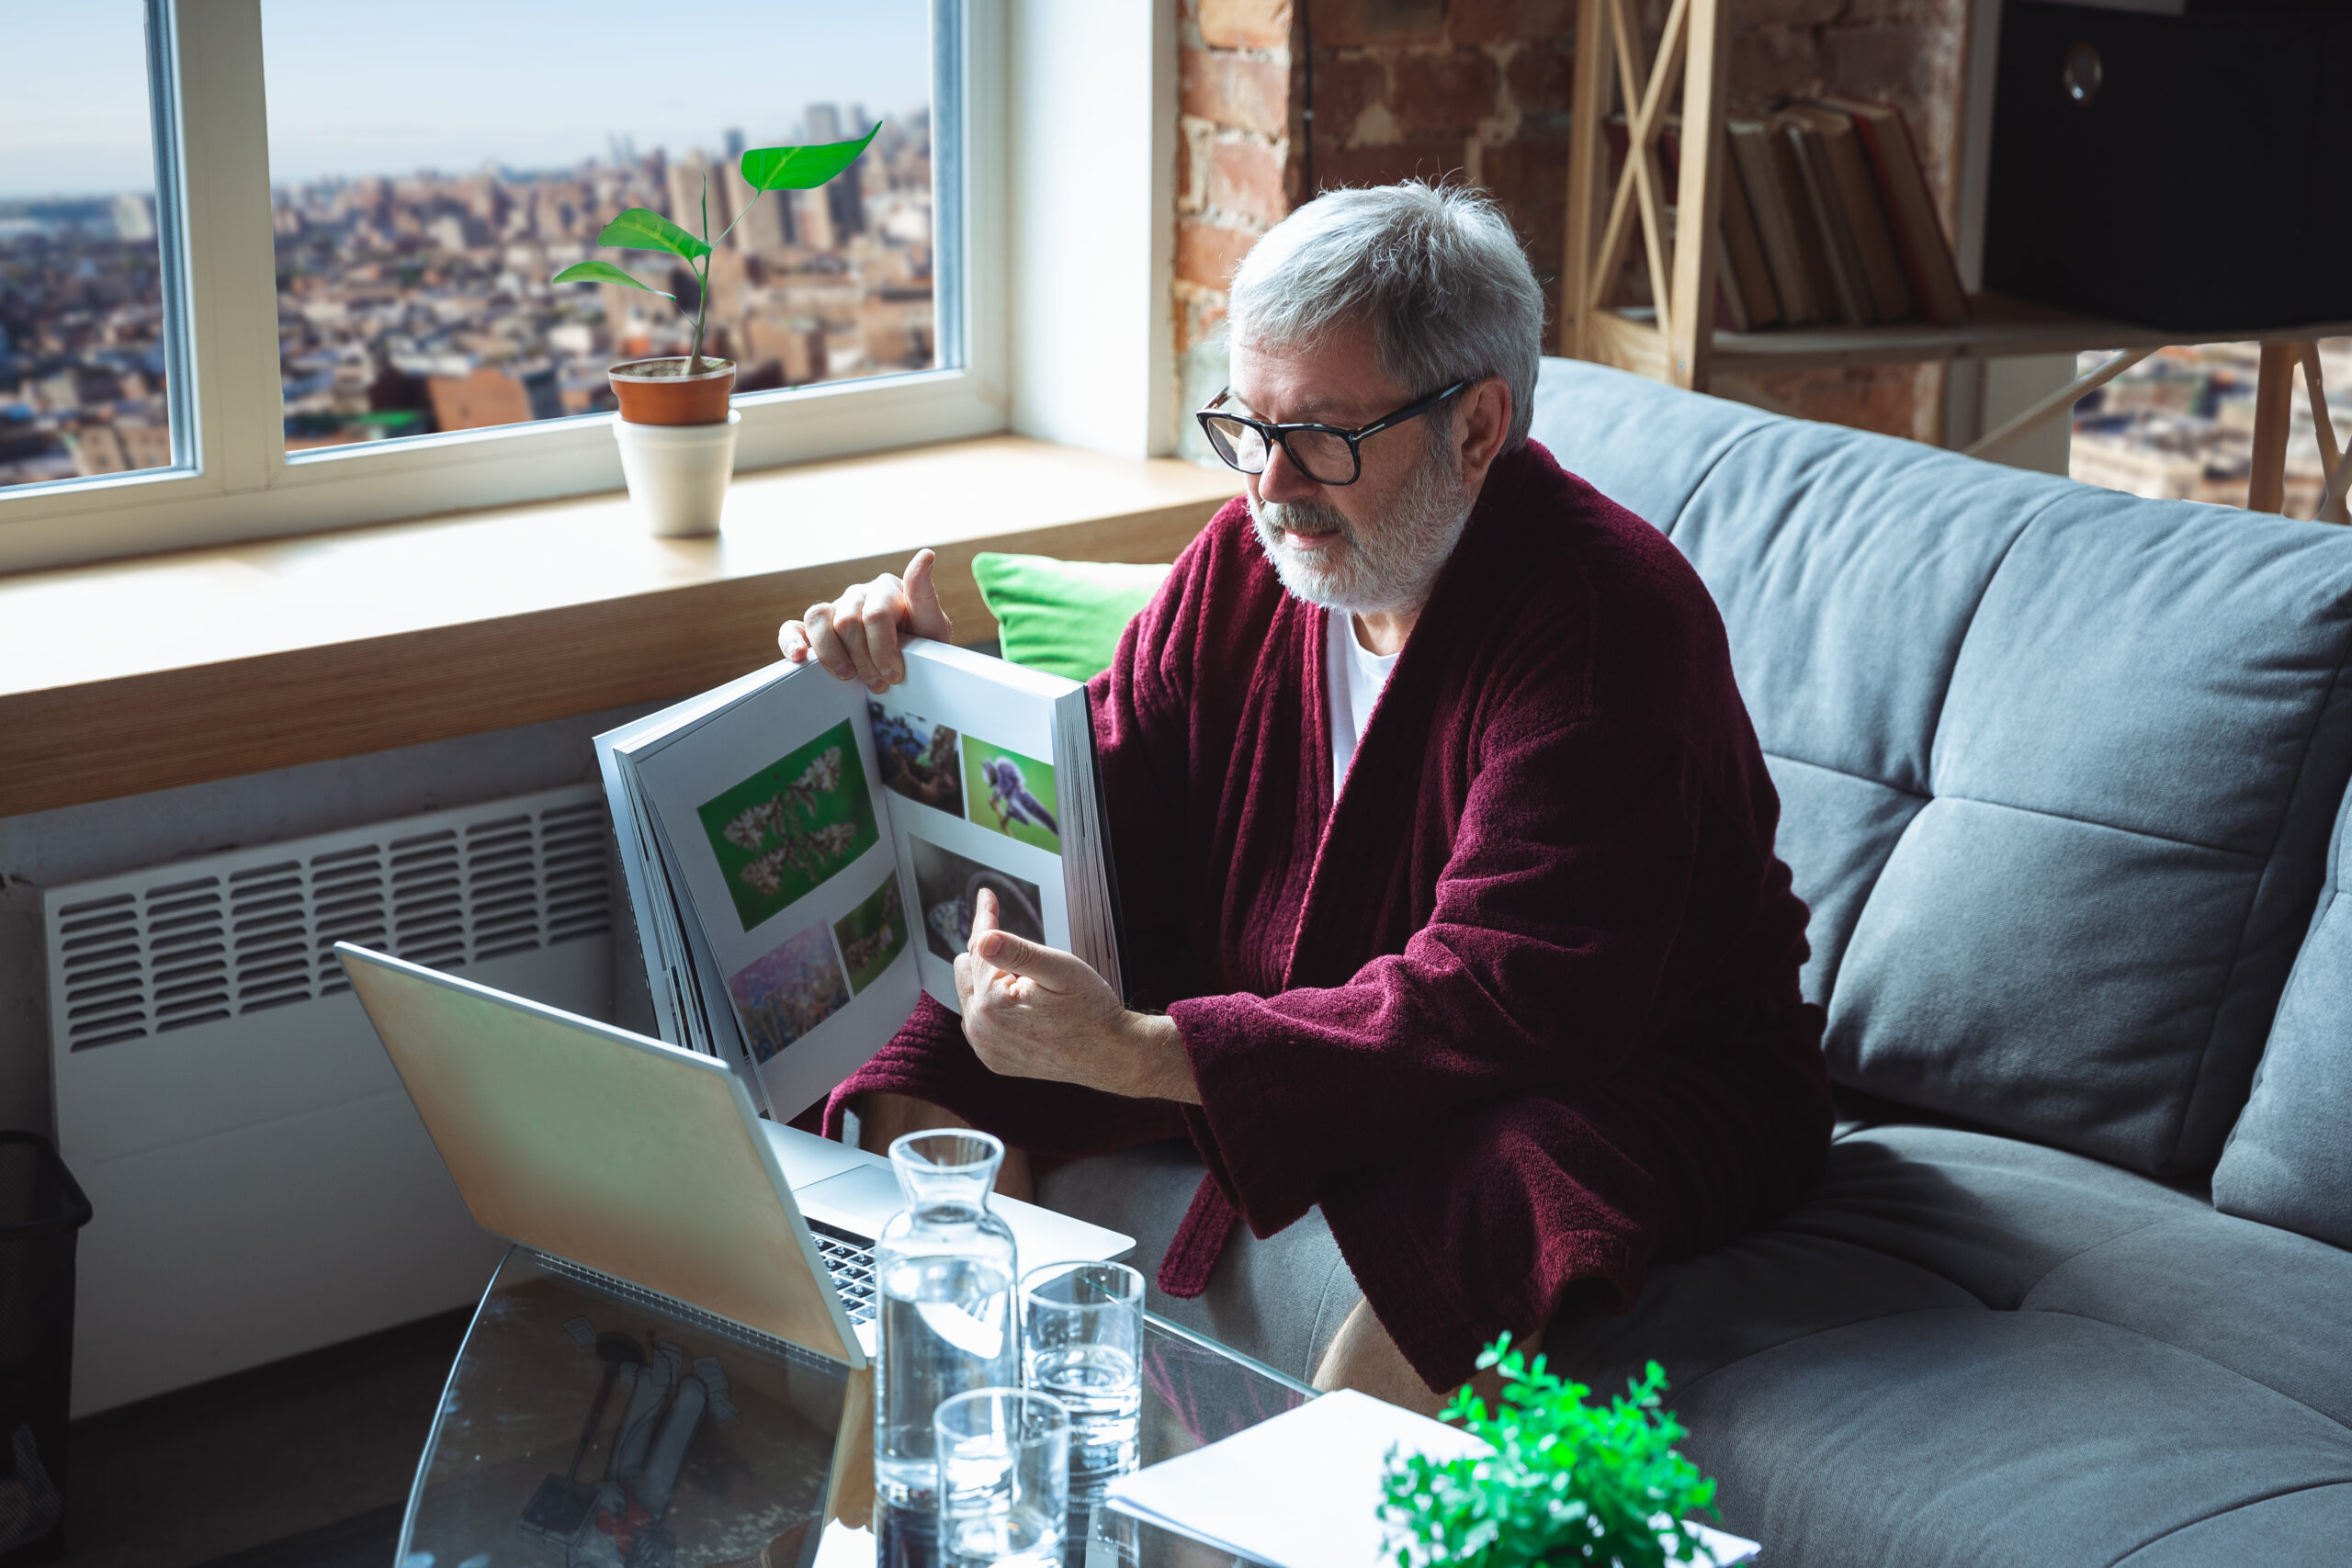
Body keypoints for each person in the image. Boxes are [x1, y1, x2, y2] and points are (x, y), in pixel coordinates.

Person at [777, 182, 1834, 1412]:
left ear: (1479, 427)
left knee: (1494, 1201)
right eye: (1247, 425)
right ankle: (951, 1445)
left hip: (1629, 1073)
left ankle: (1282, 1535)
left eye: (1322, 436)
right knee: (936, 1054)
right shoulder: (1241, 566)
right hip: (1306, 1007)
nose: (1270, 486)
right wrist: (934, 706)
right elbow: (1112, 815)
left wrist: (1137, 1053)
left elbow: (1500, 1001)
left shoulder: (1607, 633)